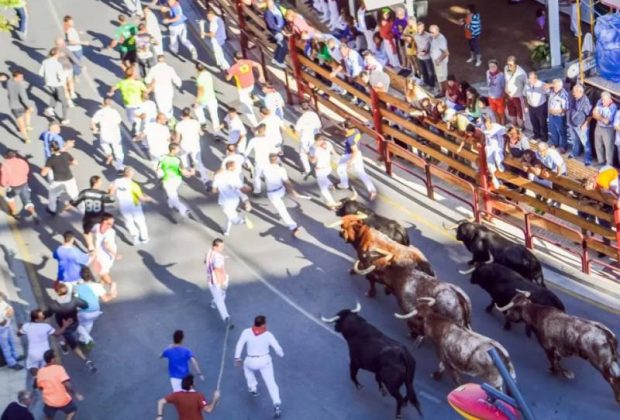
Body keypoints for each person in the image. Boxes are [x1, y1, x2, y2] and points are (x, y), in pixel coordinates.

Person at [234, 315, 284, 418]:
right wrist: (281, 354)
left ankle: (253, 387)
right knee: (271, 382)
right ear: (263, 324)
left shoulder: (246, 332)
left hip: (250, 360)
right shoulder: (268, 335)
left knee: (247, 368)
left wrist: (237, 357)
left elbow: (240, 344)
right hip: (264, 361)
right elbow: (277, 347)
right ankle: (276, 402)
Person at [44, 285, 96, 372]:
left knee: (74, 346)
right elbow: (85, 305)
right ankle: (64, 345)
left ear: (57, 292)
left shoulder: (53, 305)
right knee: (71, 337)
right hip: (75, 323)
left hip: (64, 328)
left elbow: (46, 315)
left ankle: (86, 360)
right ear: (67, 291)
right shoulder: (74, 300)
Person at [18, 309, 72, 381]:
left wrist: (21, 328)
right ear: (36, 319)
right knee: (47, 369)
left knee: (33, 366)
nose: (43, 316)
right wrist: (65, 326)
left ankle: (36, 379)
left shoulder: (26, 326)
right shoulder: (46, 326)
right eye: (41, 316)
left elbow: (19, 334)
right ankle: (46, 381)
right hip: (45, 354)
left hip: (33, 354)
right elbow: (57, 334)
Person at [75, 267, 117, 346]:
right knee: (88, 324)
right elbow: (105, 299)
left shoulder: (77, 288)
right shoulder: (97, 286)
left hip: (83, 311)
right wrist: (112, 295)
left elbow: (75, 300)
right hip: (95, 311)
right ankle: (82, 341)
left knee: (75, 324)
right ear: (90, 276)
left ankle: (87, 338)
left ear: (81, 277)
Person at [36, 350, 83, 420]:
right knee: (72, 410)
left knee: (48, 416)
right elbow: (67, 384)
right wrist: (76, 393)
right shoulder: (59, 368)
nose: (58, 357)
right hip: (62, 400)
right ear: (52, 359)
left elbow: (40, 388)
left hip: (49, 402)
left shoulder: (40, 371)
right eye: (56, 356)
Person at [110, 166, 151, 245]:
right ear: (131, 174)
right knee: (140, 221)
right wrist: (149, 199)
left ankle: (135, 236)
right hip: (134, 205)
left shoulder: (117, 181)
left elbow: (112, 191)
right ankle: (144, 237)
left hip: (123, 205)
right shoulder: (134, 185)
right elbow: (141, 198)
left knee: (128, 221)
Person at [263, 153, 301, 236]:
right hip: (281, 190)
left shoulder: (264, 169)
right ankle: (293, 226)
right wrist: (293, 192)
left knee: (282, 210)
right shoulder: (281, 169)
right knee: (282, 208)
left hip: (272, 193)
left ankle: (293, 227)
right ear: (277, 160)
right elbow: (287, 182)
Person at [336, 120, 377, 200]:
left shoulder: (350, 140)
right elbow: (347, 134)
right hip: (358, 154)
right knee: (361, 173)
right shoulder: (356, 131)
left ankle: (344, 184)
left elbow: (354, 151)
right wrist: (340, 133)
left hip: (350, 154)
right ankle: (372, 190)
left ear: (346, 128)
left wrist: (350, 162)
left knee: (340, 169)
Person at [70, 175, 114, 244]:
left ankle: (91, 248)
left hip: (88, 219)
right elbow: (111, 200)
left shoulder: (85, 192)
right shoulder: (101, 194)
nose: (101, 182)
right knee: (99, 235)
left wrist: (69, 206)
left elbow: (73, 202)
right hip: (99, 218)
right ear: (96, 183)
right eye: (100, 181)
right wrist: (110, 192)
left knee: (87, 233)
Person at [226, 52, 266, 126]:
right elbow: (258, 65)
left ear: (235, 59)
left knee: (246, 107)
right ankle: (249, 101)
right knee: (247, 96)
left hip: (242, 89)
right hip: (251, 85)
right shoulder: (248, 62)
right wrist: (261, 76)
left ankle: (255, 124)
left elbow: (228, 78)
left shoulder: (234, 67)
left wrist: (227, 74)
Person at [212, 160, 251, 235]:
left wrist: (219, 190)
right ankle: (226, 231)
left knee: (232, 217)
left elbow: (214, 190)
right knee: (230, 214)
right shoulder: (235, 176)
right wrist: (249, 189)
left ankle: (243, 220)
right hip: (235, 200)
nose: (236, 168)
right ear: (230, 167)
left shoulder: (218, 176)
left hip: (224, 201)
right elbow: (242, 189)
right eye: (234, 167)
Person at [156, 374, 220, 419]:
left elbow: (160, 402)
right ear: (191, 385)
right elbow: (209, 410)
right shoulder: (198, 396)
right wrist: (215, 399)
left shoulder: (176, 395)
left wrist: (160, 416)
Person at [157, 143, 195, 217]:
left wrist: (161, 177)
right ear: (173, 150)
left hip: (171, 181)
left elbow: (158, 169)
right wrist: (189, 174)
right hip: (174, 180)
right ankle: (178, 207)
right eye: (178, 149)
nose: (179, 150)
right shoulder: (177, 159)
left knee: (173, 196)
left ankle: (178, 207)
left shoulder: (162, 158)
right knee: (173, 196)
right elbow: (183, 170)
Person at [108, 67, 149, 136]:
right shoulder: (138, 83)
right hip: (138, 102)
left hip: (128, 104)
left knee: (130, 117)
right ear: (133, 75)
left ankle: (135, 126)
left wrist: (111, 92)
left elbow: (113, 88)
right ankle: (138, 129)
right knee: (139, 117)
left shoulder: (122, 83)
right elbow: (146, 91)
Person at [41, 141, 78, 215]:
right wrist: (66, 164)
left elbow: (43, 173)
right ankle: (82, 207)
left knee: (52, 195)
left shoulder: (51, 159)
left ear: (51, 149)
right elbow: (75, 163)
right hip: (69, 179)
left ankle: (52, 209)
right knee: (75, 195)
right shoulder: (65, 154)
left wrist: (45, 168)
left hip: (58, 181)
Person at [175, 107, 210, 186]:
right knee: (199, 162)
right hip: (195, 145)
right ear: (190, 114)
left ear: (182, 115)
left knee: (183, 159)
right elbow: (201, 133)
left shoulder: (179, 125)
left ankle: (187, 172)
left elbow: (177, 139)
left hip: (184, 145)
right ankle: (205, 180)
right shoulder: (195, 122)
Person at [0, 150, 38, 221]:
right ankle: (33, 212)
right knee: (27, 201)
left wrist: (3, 184)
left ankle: (15, 213)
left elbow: (3, 181)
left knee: (9, 198)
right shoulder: (22, 161)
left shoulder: (5, 165)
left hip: (14, 188)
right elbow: (27, 171)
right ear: (15, 155)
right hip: (24, 184)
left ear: (6, 156)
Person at [205, 238, 234, 328]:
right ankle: (226, 318)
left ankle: (214, 303)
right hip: (216, 281)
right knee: (220, 300)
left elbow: (206, 260)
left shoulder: (210, 252)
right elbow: (218, 270)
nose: (222, 248)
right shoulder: (217, 258)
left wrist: (223, 258)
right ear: (215, 247)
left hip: (212, 279)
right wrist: (221, 283)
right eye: (220, 246)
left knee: (221, 296)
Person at [91, 97, 125, 171]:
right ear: (111, 104)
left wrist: (95, 129)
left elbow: (93, 121)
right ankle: (120, 166)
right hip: (115, 134)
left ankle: (109, 154)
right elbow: (119, 122)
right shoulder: (114, 112)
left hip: (105, 134)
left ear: (103, 103)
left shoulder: (100, 112)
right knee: (118, 150)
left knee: (104, 144)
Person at [87, 212, 120, 288]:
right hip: (104, 253)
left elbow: (107, 244)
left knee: (103, 272)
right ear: (104, 222)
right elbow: (90, 232)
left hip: (106, 254)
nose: (112, 224)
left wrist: (115, 255)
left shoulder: (109, 231)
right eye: (110, 223)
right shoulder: (98, 227)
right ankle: (101, 283)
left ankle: (111, 285)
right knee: (102, 271)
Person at [145, 55, 182, 119]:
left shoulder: (153, 69)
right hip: (168, 90)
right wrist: (179, 84)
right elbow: (176, 79)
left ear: (157, 60)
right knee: (169, 106)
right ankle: (170, 119)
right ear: (164, 60)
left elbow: (147, 80)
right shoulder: (170, 68)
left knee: (161, 107)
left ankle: (163, 119)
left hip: (158, 91)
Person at [39, 47, 69, 124]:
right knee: (64, 101)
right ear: (57, 54)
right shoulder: (58, 64)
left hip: (48, 83)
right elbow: (61, 76)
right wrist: (66, 74)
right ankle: (64, 119)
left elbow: (40, 73)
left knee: (54, 94)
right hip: (57, 84)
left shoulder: (45, 61)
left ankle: (50, 108)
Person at [245, 124, 278, 194]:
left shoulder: (253, 140)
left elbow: (246, 153)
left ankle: (257, 191)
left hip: (258, 161)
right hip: (268, 161)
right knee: (268, 176)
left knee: (257, 177)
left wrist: (247, 163)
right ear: (265, 131)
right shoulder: (269, 140)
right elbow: (274, 150)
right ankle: (273, 189)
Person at [293, 101, 322, 176]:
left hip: (305, 140)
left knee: (303, 155)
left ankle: (307, 170)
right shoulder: (314, 115)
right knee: (316, 154)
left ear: (300, 108)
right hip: (315, 139)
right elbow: (319, 126)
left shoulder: (301, 119)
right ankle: (319, 168)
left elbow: (297, 132)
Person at [309, 133, 338, 208]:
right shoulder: (328, 143)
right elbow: (334, 153)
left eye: (316, 141)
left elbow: (313, 161)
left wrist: (308, 156)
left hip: (320, 170)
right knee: (324, 178)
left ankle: (332, 203)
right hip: (328, 168)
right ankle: (329, 184)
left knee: (323, 190)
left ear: (317, 140)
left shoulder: (314, 148)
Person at [567, 83, 592, 165]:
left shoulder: (585, 101)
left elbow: (590, 115)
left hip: (580, 125)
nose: (573, 93)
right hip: (572, 123)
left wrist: (585, 125)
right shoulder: (573, 97)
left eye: (574, 92)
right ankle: (575, 153)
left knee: (585, 142)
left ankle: (588, 158)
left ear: (580, 92)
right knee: (574, 140)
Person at [6, 70, 33, 143]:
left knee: (21, 122)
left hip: (13, 106)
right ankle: (27, 126)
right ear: (16, 77)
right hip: (21, 105)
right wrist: (30, 106)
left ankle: (27, 138)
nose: (22, 78)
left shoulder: (9, 82)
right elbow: (24, 99)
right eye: (21, 77)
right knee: (28, 112)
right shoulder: (20, 86)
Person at [592, 91, 617, 167]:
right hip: (598, 126)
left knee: (608, 147)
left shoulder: (613, 107)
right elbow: (593, 114)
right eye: (602, 99)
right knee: (598, 144)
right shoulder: (600, 101)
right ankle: (601, 161)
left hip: (608, 130)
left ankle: (609, 164)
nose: (602, 101)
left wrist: (598, 116)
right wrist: (601, 118)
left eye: (604, 100)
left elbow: (607, 122)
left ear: (610, 100)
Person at [194, 63, 221, 134]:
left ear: (197, 69)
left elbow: (201, 91)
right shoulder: (208, 73)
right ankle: (217, 131)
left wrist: (196, 102)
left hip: (204, 99)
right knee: (214, 115)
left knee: (197, 109)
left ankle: (203, 123)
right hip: (212, 97)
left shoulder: (199, 79)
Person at [0, 294, 24, 370]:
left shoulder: (2, 303)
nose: (1, 298)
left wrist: (8, 314)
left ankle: (15, 357)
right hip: (2, 328)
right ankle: (11, 363)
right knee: (6, 346)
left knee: (12, 342)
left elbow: (10, 310)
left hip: (7, 325)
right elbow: (2, 322)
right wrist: (7, 315)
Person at [482, 116, 506, 189]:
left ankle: (501, 170)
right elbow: (485, 138)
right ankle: (494, 178)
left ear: (491, 123)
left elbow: (504, 135)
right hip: (489, 146)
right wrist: (486, 146)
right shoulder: (484, 128)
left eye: (488, 124)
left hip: (498, 145)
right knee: (489, 162)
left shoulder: (498, 128)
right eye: (486, 125)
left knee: (497, 156)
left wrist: (504, 147)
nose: (487, 126)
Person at [523, 71, 548, 142]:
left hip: (541, 106)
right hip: (531, 106)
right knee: (534, 122)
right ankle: (537, 135)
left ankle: (544, 137)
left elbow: (549, 92)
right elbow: (524, 95)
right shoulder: (527, 84)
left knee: (542, 123)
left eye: (532, 78)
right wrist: (526, 106)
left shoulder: (542, 84)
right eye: (529, 78)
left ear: (536, 78)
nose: (531, 80)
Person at [547, 78, 569, 153]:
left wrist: (558, 111)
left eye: (555, 85)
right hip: (551, 115)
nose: (554, 87)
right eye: (553, 85)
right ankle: (555, 143)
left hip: (560, 117)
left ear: (560, 86)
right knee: (553, 130)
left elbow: (566, 108)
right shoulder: (551, 91)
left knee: (562, 132)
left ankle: (563, 147)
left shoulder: (564, 94)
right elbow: (545, 86)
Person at [503, 56, 527, 128]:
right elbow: (507, 79)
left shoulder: (522, 74)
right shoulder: (506, 68)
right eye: (508, 64)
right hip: (509, 96)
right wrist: (506, 88)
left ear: (516, 64)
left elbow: (526, 86)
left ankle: (521, 127)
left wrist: (526, 103)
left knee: (520, 115)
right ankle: (514, 126)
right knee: (512, 113)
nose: (509, 66)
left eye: (511, 65)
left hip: (518, 97)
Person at [63, 16, 89, 80]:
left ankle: (75, 73)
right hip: (74, 49)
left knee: (77, 61)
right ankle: (75, 75)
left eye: (72, 21)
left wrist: (79, 32)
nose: (72, 22)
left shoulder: (70, 28)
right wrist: (83, 42)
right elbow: (71, 42)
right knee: (75, 62)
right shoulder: (68, 30)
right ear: (67, 22)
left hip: (77, 48)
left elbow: (73, 32)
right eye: (71, 21)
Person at [264, 0, 287, 68]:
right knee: (283, 45)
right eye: (269, 4)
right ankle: (279, 61)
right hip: (275, 31)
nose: (270, 5)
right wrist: (280, 30)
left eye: (271, 3)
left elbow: (282, 15)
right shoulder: (267, 13)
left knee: (280, 44)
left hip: (281, 28)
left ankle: (275, 59)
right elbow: (272, 25)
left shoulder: (277, 7)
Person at [414, 21, 435, 88]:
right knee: (423, 71)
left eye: (421, 28)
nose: (420, 30)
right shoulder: (415, 35)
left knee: (430, 72)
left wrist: (427, 51)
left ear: (424, 27)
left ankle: (431, 85)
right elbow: (414, 44)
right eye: (418, 28)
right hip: (420, 57)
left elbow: (432, 46)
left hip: (427, 57)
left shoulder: (428, 36)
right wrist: (416, 51)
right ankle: (426, 82)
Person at [429, 25, 449, 92]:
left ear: (437, 31)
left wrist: (438, 60)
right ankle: (442, 90)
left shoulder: (441, 40)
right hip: (437, 62)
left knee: (442, 77)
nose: (431, 34)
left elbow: (446, 53)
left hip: (440, 62)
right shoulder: (435, 37)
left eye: (432, 32)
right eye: (430, 32)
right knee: (440, 77)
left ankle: (444, 92)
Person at [485, 59, 505, 124]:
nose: (492, 68)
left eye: (493, 66)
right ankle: (498, 122)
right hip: (490, 96)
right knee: (494, 111)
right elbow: (488, 82)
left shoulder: (501, 75)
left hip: (499, 97)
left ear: (497, 66)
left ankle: (503, 124)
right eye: (490, 66)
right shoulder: (487, 72)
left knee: (501, 112)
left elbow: (503, 86)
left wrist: (504, 97)